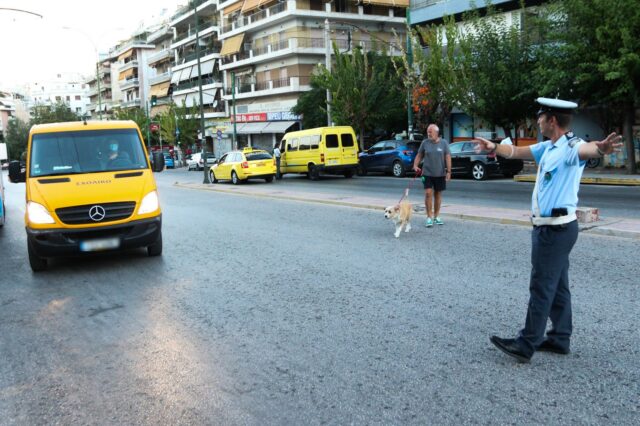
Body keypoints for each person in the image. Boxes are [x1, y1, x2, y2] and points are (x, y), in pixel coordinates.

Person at [474, 97, 623, 363]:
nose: (538, 121)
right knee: (559, 285)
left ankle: (526, 342)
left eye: (540, 117)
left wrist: (600, 150)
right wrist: (494, 146)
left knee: (541, 285)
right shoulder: (549, 146)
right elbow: (519, 153)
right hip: (556, 228)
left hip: (554, 230)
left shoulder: (570, 147)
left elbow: (587, 150)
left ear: (552, 120)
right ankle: (560, 338)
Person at [412, 124, 452, 227]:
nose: (429, 134)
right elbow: (419, 155)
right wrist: (415, 165)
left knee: (438, 194)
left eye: (431, 132)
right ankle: (429, 217)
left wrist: (449, 172)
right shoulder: (425, 143)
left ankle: (436, 216)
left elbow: (447, 157)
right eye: (428, 132)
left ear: (437, 133)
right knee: (428, 193)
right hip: (427, 173)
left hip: (440, 174)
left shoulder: (444, 143)